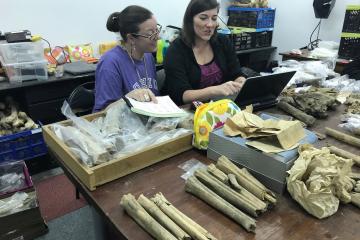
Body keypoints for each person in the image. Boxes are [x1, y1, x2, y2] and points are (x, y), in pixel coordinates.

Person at [162, 0, 246, 105]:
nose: (210, 24)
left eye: (214, 18)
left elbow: (237, 73)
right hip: (185, 112)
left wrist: (241, 83)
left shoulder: (222, 41)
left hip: (219, 107)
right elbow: (181, 95)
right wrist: (214, 90)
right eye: (203, 18)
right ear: (190, 19)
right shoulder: (176, 51)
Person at [93, 5, 161, 112]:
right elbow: (101, 113)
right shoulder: (110, 63)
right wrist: (127, 99)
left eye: (157, 30)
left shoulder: (147, 56)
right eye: (150, 33)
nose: (158, 37)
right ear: (131, 38)